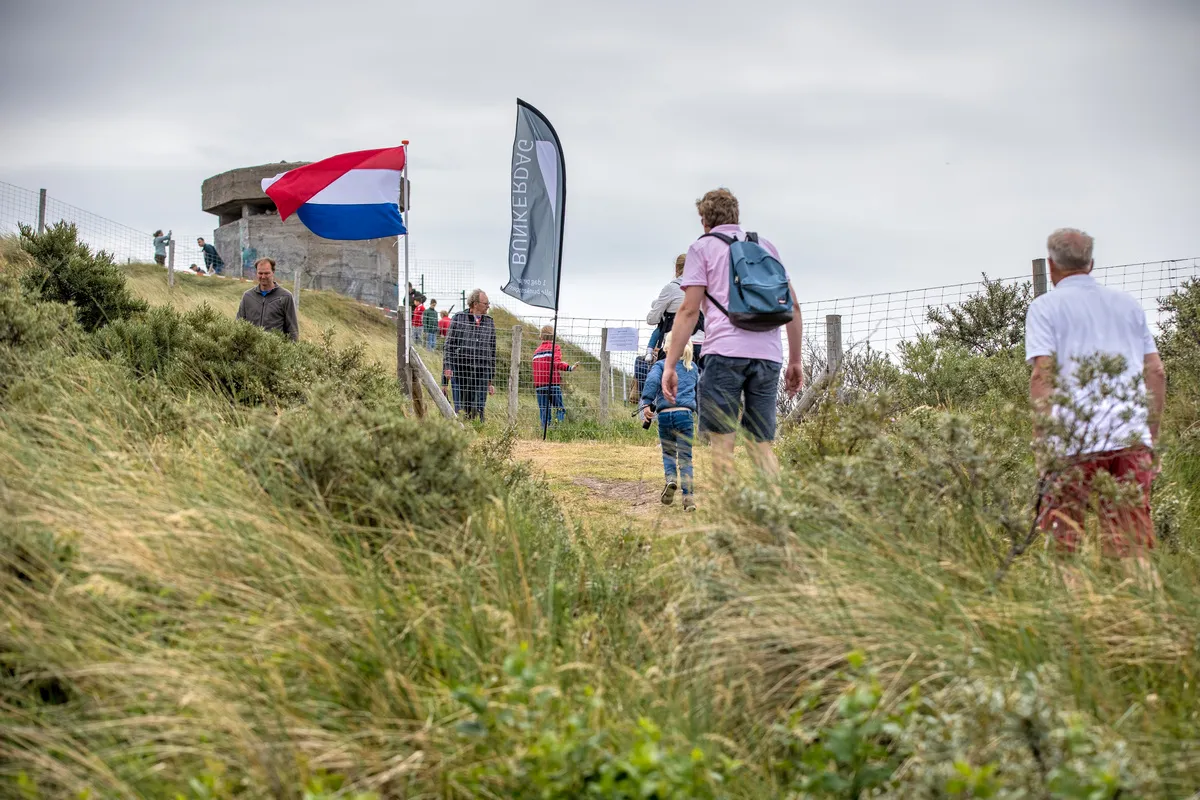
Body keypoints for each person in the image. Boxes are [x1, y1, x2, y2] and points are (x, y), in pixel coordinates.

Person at [1026, 228, 1167, 577]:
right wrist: (1150, 436)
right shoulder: (1128, 306)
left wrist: (1043, 447)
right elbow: (1156, 372)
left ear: (1051, 264)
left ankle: (1071, 626)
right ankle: (1146, 623)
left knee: (1064, 547)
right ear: (1091, 263)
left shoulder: (1044, 308)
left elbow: (1043, 375)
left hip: (1072, 441)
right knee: (1132, 546)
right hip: (1129, 435)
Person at [662, 188, 804, 478]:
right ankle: (776, 513)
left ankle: (728, 520)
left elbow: (689, 311)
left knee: (722, 445)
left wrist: (671, 364)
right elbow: (794, 307)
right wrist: (795, 360)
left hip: (724, 354)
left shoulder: (702, 248)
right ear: (736, 216)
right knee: (761, 446)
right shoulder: (766, 247)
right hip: (768, 355)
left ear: (704, 221)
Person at [640, 331, 700, 511]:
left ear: (666, 347)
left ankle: (671, 479)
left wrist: (647, 402)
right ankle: (688, 497)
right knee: (685, 457)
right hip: (685, 415)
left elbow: (651, 381)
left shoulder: (660, 365)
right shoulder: (693, 368)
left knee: (668, 453)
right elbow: (699, 390)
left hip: (665, 414)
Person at [444, 289, 496, 422]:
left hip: (481, 370)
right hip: (461, 369)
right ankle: (460, 432)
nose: (488, 306)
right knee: (461, 408)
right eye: (485, 303)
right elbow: (449, 345)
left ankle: (478, 432)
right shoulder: (459, 318)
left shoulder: (489, 322)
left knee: (478, 407)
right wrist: (447, 368)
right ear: (475, 304)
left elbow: (492, 351)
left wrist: (490, 379)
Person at [647, 253, 705, 367]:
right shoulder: (705, 289)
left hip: (674, 344)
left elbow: (652, 319)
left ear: (677, 268)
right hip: (701, 345)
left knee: (668, 382)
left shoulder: (671, 288)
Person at [236, 257, 299, 341]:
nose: (263, 276)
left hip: (275, 351)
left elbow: (292, 330)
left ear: (273, 272)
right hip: (251, 351)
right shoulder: (247, 296)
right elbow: (238, 325)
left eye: (266, 273)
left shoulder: (286, 296)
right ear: (256, 273)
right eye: (260, 273)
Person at [532, 325, 577, 429]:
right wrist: (569, 368)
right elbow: (556, 363)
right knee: (559, 408)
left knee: (544, 409)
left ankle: (545, 429)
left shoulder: (536, 351)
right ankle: (557, 427)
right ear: (553, 336)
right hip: (552, 383)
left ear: (541, 337)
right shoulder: (555, 348)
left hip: (539, 385)